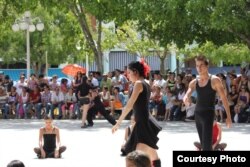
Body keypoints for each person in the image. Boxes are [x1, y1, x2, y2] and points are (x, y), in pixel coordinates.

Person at [112, 61, 162, 167]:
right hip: (143, 121)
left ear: (135, 72)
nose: (127, 75)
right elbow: (138, 105)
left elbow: (130, 104)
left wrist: (118, 122)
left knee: (136, 159)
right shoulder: (145, 83)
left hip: (143, 122)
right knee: (151, 154)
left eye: (129, 72)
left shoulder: (139, 84)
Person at [183, 55, 232, 151]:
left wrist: (229, 117)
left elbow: (224, 98)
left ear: (207, 66)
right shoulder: (194, 82)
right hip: (198, 115)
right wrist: (185, 98)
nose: (199, 68)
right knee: (204, 145)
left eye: (201, 65)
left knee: (206, 147)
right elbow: (188, 93)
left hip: (208, 115)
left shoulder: (215, 80)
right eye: (197, 66)